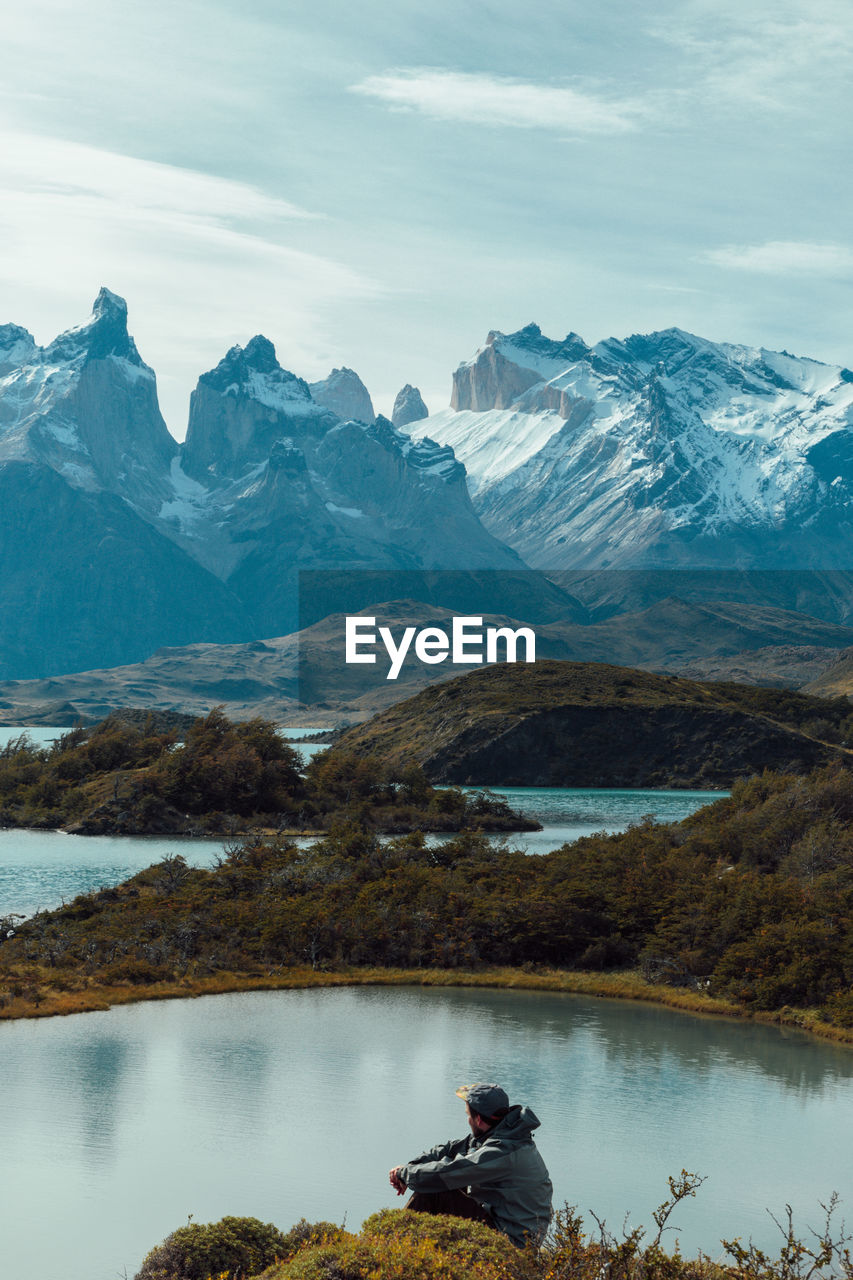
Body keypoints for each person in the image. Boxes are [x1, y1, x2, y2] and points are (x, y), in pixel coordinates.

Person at [388, 1082, 553, 1247]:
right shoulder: (505, 1132)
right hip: (503, 1223)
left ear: (479, 1119)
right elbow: (449, 1149)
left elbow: (446, 1172)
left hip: (512, 1242)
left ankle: (390, 1250)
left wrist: (405, 1174)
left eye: (468, 1114)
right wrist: (409, 1168)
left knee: (433, 1191)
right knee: (433, 1184)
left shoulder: (503, 1151)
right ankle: (401, 1249)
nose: (467, 1119)